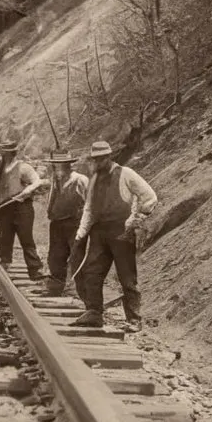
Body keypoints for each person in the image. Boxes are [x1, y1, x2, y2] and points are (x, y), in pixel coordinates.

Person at [72, 141, 158, 330]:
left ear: (109, 157)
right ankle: (94, 312)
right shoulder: (94, 178)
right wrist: (80, 234)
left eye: (102, 158)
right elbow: (89, 209)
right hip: (99, 232)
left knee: (127, 276)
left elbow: (149, 196)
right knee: (92, 272)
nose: (99, 162)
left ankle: (134, 319)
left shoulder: (125, 173)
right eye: (96, 159)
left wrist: (138, 217)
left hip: (121, 232)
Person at [42, 150, 88, 297]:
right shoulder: (56, 181)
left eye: (59, 165)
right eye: (54, 165)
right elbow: (51, 200)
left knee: (76, 256)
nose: (56, 168)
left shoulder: (80, 180)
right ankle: (55, 288)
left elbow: (90, 203)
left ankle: (79, 291)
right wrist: (50, 213)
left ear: (68, 165)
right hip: (57, 223)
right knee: (55, 257)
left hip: (75, 223)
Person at [0, 142, 44, 278]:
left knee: (26, 238)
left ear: (10, 153)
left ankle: (35, 269)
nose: (1, 155)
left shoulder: (23, 167)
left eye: (4, 152)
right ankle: (4, 265)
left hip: (22, 208)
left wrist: (25, 192)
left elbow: (37, 181)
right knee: (5, 238)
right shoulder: (2, 169)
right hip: (5, 208)